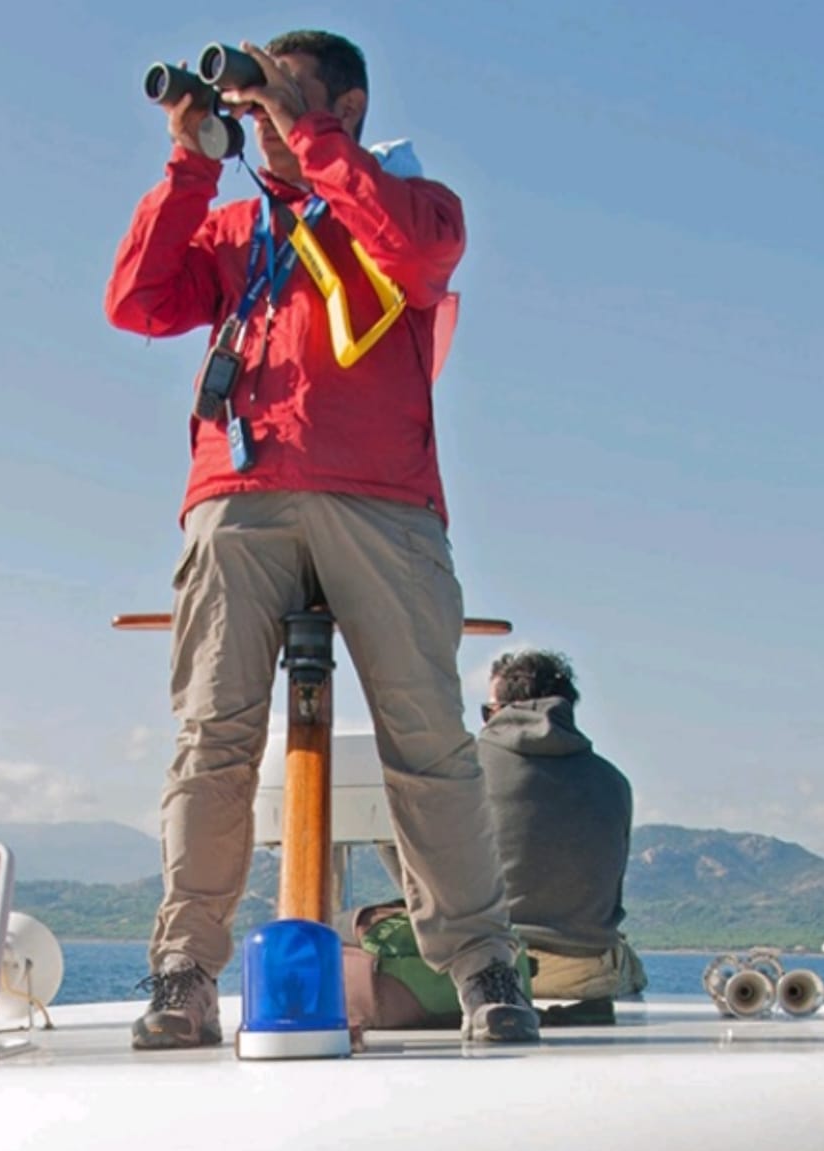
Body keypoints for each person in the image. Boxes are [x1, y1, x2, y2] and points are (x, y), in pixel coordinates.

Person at [104, 30, 537, 1048]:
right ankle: (182, 972)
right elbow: (137, 302)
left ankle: (481, 965)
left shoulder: (411, 207)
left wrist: (309, 134)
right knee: (212, 740)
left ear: (340, 107)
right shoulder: (236, 228)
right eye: (258, 109)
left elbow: (419, 257)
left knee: (426, 742)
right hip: (237, 496)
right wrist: (192, 158)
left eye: (282, 102)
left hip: (382, 500)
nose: (266, 125)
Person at [478, 650, 646, 1024]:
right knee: (631, 963)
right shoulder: (615, 782)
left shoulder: (463, 770)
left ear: (501, 710)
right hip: (588, 974)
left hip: (488, 969)